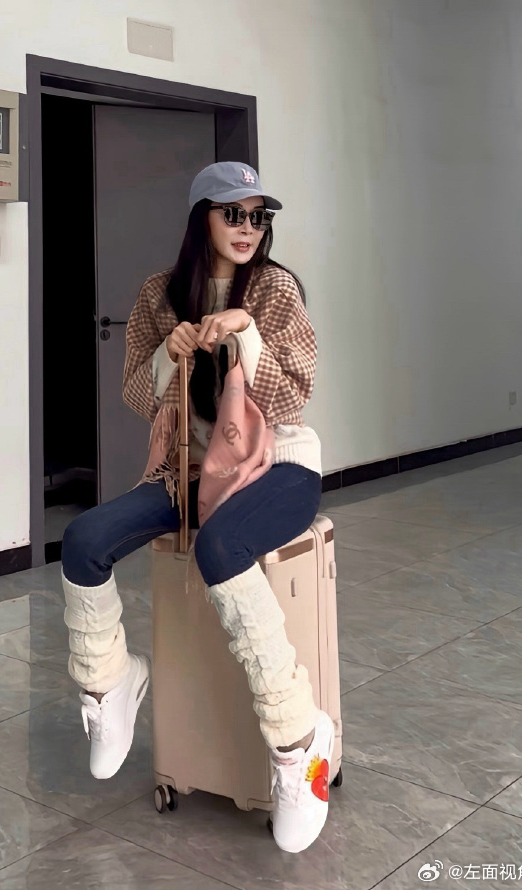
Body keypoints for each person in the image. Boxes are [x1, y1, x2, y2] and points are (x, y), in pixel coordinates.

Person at [61, 161, 332, 854]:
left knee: (219, 546)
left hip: (281, 463)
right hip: (192, 467)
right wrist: (168, 354)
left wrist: (246, 333)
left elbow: (294, 395)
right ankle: (110, 684)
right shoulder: (160, 294)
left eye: (258, 216)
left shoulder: (275, 288)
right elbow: (137, 394)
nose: (248, 228)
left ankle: (298, 738)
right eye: (232, 213)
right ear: (200, 218)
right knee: (84, 540)